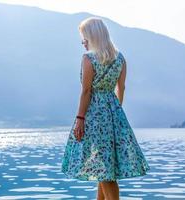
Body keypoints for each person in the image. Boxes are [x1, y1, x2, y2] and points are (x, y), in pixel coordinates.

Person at [61, 17, 150, 200]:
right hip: (114, 113)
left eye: (84, 38)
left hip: (93, 116)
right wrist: (115, 112)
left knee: (105, 170)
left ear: (93, 36)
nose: (83, 42)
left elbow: (86, 91)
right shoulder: (120, 59)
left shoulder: (88, 59)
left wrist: (80, 118)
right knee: (104, 166)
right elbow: (121, 88)